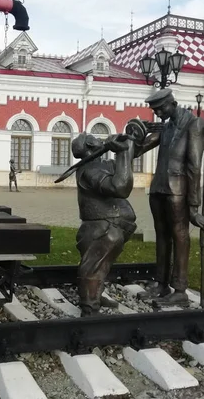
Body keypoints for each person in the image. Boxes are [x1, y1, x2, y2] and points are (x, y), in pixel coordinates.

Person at [135, 88, 204, 306]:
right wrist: (135, 135)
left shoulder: (193, 124)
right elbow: (140, 148)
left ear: (172, 103)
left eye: (160, 109)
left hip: (178, 191)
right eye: (155, 110)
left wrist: (194, 207)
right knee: (162, 236)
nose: (157, 113)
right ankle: (161, 283)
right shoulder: (167, 125)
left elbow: (194, 166)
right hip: (158, 188)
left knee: (180, 237)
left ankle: (179, 290)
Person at [72, 132, 137, 316]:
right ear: (92, 146)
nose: (102, 141)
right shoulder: (90, 170)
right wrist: (122, 153)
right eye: (97, 140)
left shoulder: (100, 164)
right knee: (93, 269)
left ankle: (96, 296)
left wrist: (131, 140)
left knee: (102, 267)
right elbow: (120, 187)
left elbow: (132, 153)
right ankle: (89, 309)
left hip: (112, 227)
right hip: (102, 229)